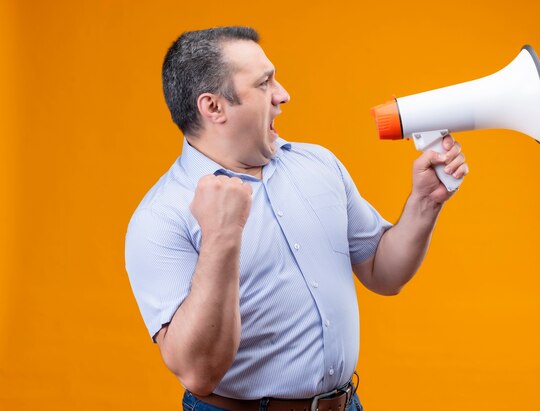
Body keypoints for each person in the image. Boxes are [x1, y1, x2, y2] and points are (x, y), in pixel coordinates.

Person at [125, 26, 469, 411]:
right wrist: (222, 235)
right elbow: (198, 372)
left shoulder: (319, 164)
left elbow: (383, 273)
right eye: (264, 83)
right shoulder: (161, 217)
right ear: (213, 107)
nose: (282, 94)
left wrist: (425, 202)